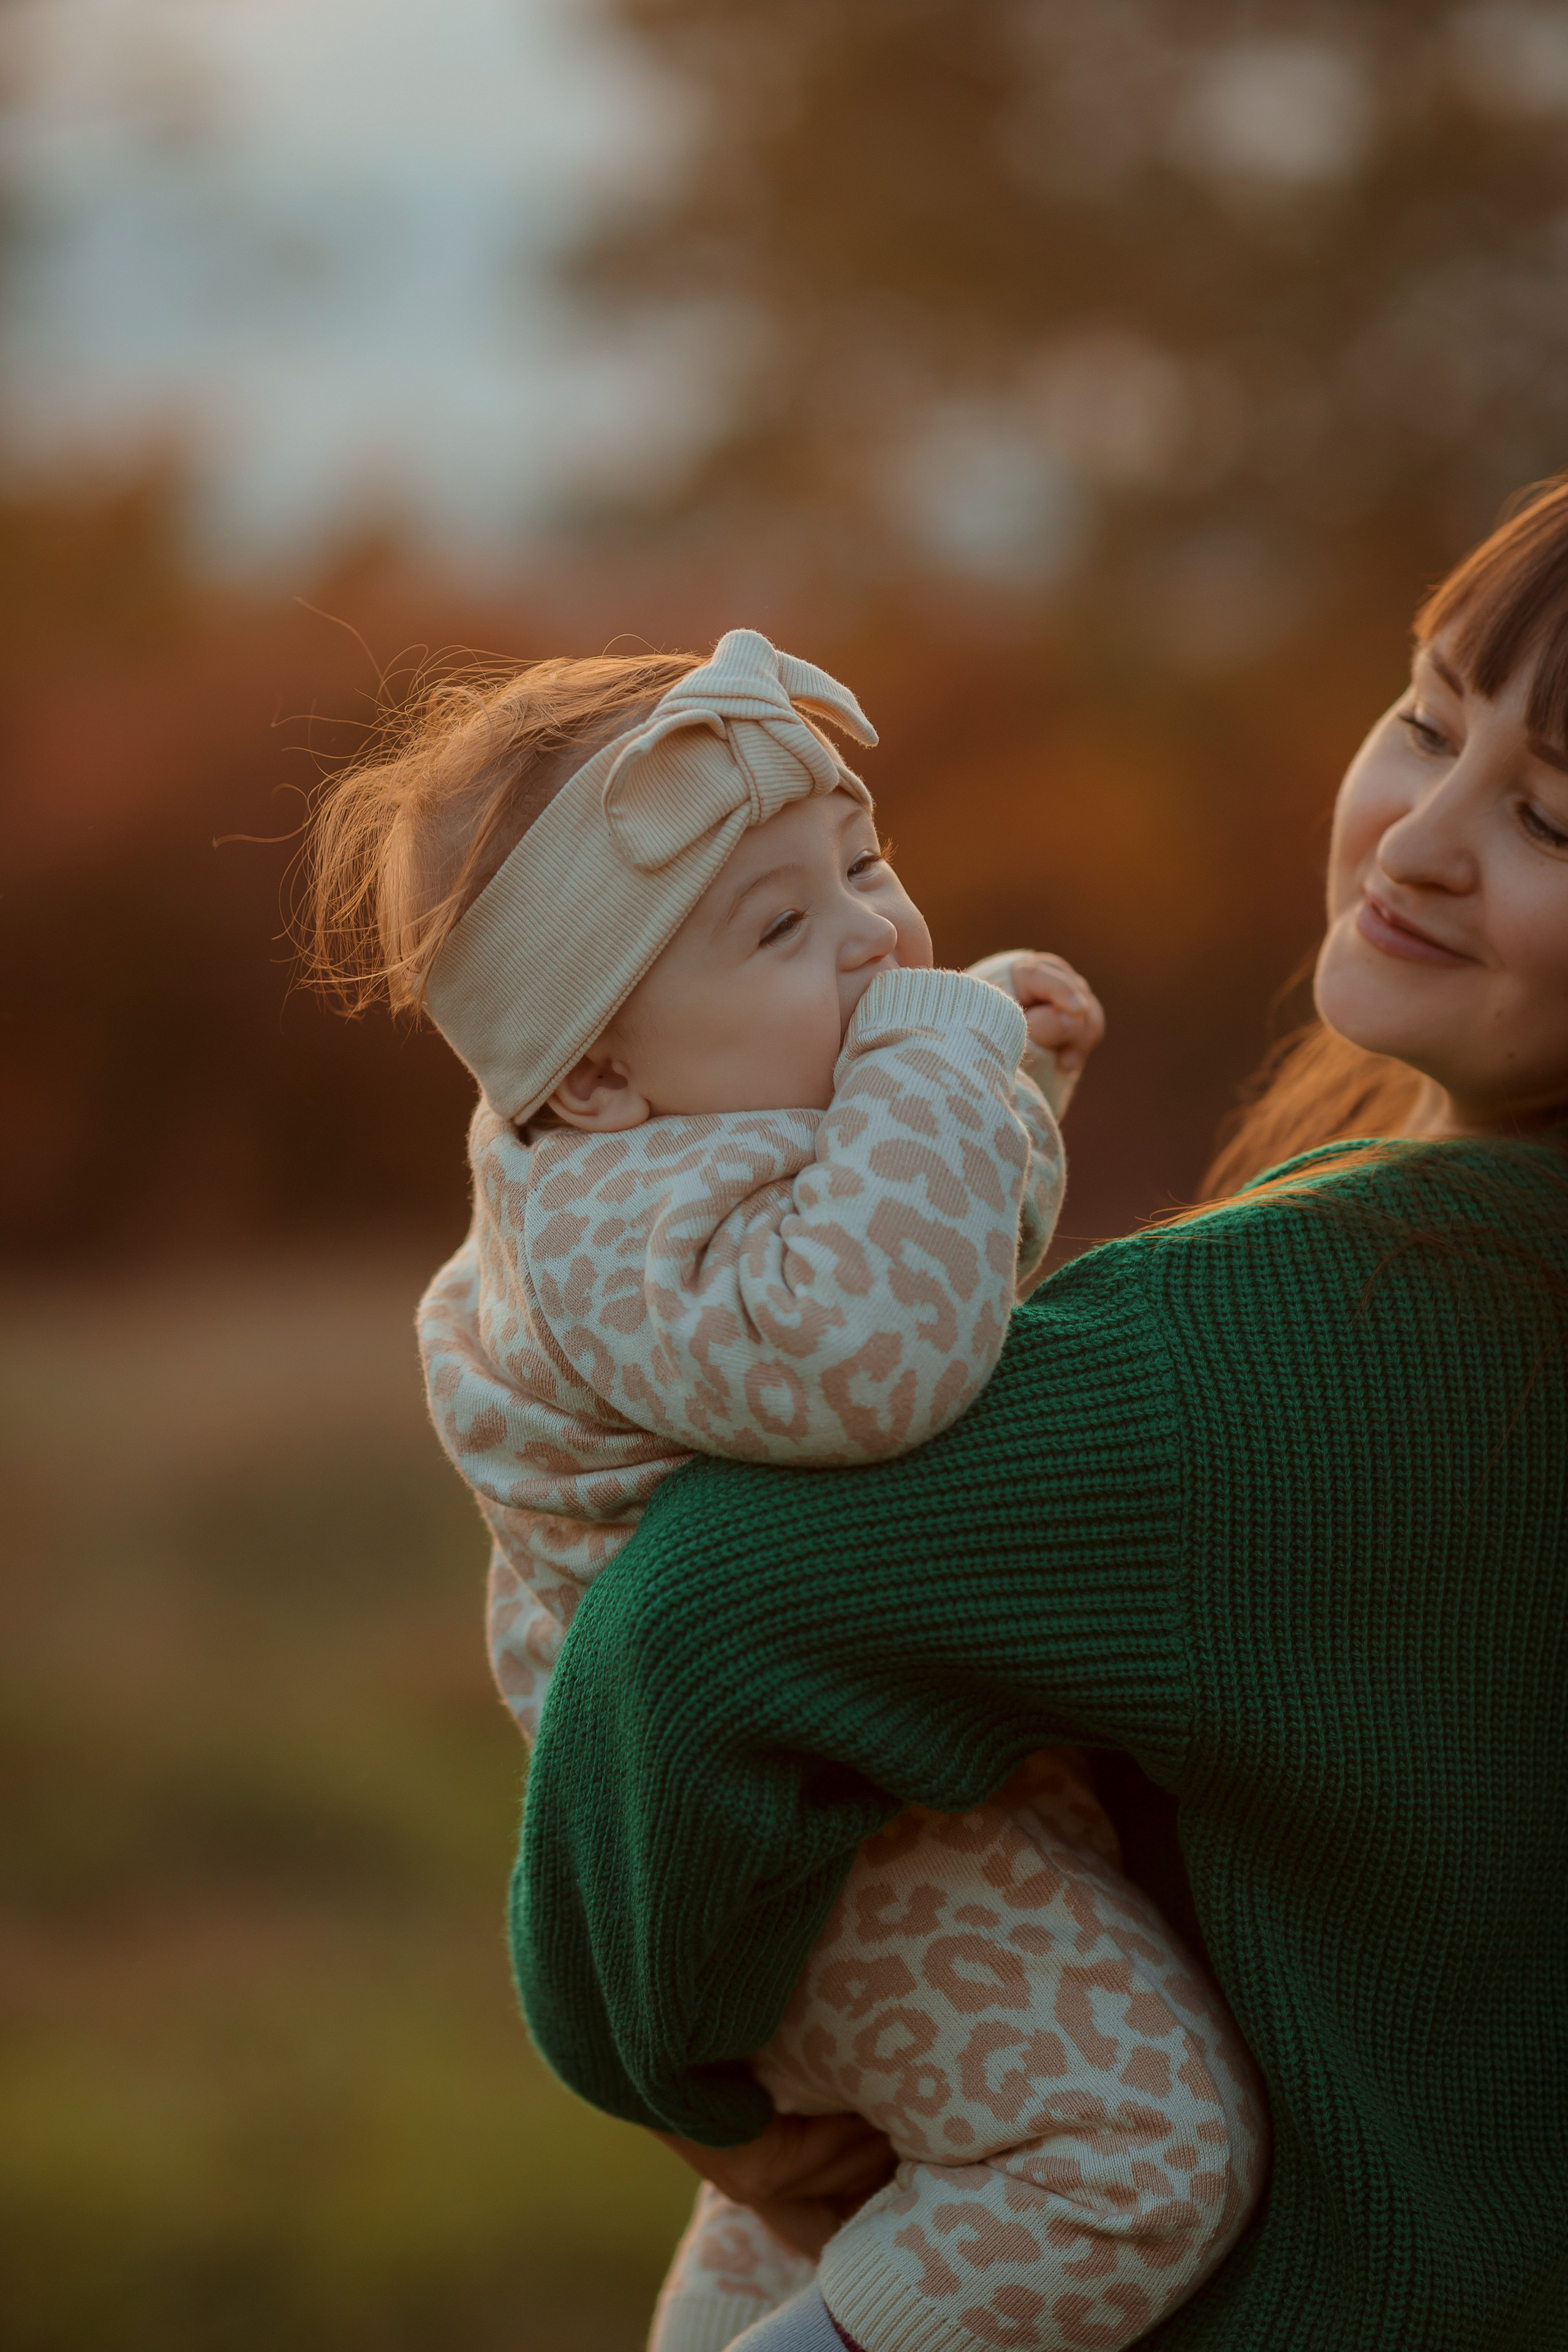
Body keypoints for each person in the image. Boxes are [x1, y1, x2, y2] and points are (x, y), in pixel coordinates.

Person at [510, 477, 1568, 2352]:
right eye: (1420, 719)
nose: (1422, 838)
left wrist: (698, 2085)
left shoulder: (1309, 1339)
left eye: (1552, 814)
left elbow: (696, 1628)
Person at [300, 629, 1266, 2352]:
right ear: (591, 1073)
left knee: (876, 2200)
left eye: (865, 863)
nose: (882, 938)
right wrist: (934, 1066)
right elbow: (875, 1362)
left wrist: (1004, 1086)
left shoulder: (693, 1116)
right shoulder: (612, 1216)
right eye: (782, 924)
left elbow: (938, 1286)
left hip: (870, 1772)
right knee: (1135, 2148)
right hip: (809, 1836)